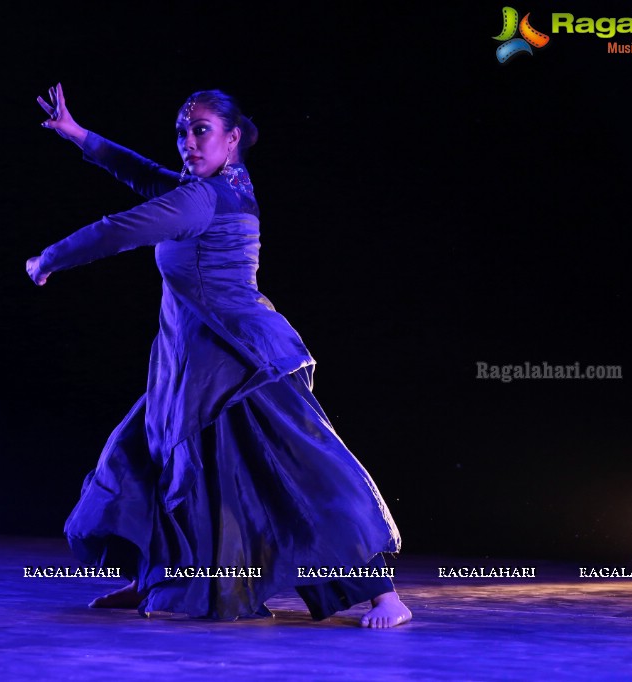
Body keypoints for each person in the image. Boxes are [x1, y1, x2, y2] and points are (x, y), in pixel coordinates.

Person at [27, 83, 412, 628]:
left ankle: (385, 596)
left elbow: (120, 230)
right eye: (182, 132)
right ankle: (157, 578)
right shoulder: (215, 187)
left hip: (238, 360)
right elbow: (147, 177)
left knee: (301, 472)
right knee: (150, 463)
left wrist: (50, 258)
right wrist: (80, 135)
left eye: (200, 130)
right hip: (191, 361)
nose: (188, 141)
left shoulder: (203, 199)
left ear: (232, 138)